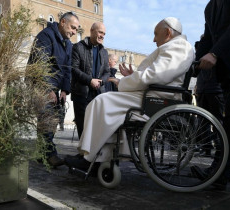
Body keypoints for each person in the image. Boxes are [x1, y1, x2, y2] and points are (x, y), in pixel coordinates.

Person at [65, 17, 194, 170]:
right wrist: (133, 76)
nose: (153, 39)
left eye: (156, 34)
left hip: (156, 98)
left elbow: (153, 76)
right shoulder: (175, 46)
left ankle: (90, 158)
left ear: (167, 32)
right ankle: (99, 156)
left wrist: (124, 82)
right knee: (103, 103)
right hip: (152, 94)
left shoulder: (178, 47)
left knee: (102, 102)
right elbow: (155, 74)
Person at [193, 0, 230, 190]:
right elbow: (208, 39)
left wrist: (215, 54)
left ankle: (218, 175)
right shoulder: (210, 7)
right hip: (228, 72)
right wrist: (192, 64)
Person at [28, 12, 79, 167]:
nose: (75, 32)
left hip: (55, 86)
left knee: (52, 120)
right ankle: (50, 155)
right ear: (62, 22)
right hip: (40, 84)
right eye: (73, 28)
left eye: (77, 29)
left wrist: (64, 90)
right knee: (46, 118)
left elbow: (67, 68)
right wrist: (48, 88)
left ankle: (41, 153)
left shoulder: (68, 44)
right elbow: (41, 64)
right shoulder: (45, 36)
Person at [70, 22, 110, 139]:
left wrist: (100, 81)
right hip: (81, 94)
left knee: (96, 127)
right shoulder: (78, 47)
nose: (102, 35)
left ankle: (93, 154)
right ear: (92, 31)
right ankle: (83, 154)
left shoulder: (104, 52)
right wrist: (90, 80)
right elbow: (74, 69)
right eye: (100, 32)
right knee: (82, 126)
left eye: (104, 33)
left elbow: (107, 72)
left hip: (98, 94)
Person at [194, 38, 225, 156]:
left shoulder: (216, 53)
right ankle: (206, 148)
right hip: (202, 90)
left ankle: (220, 149)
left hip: (215, 90)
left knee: (218, 122)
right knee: (202, 122)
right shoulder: (201, 57)